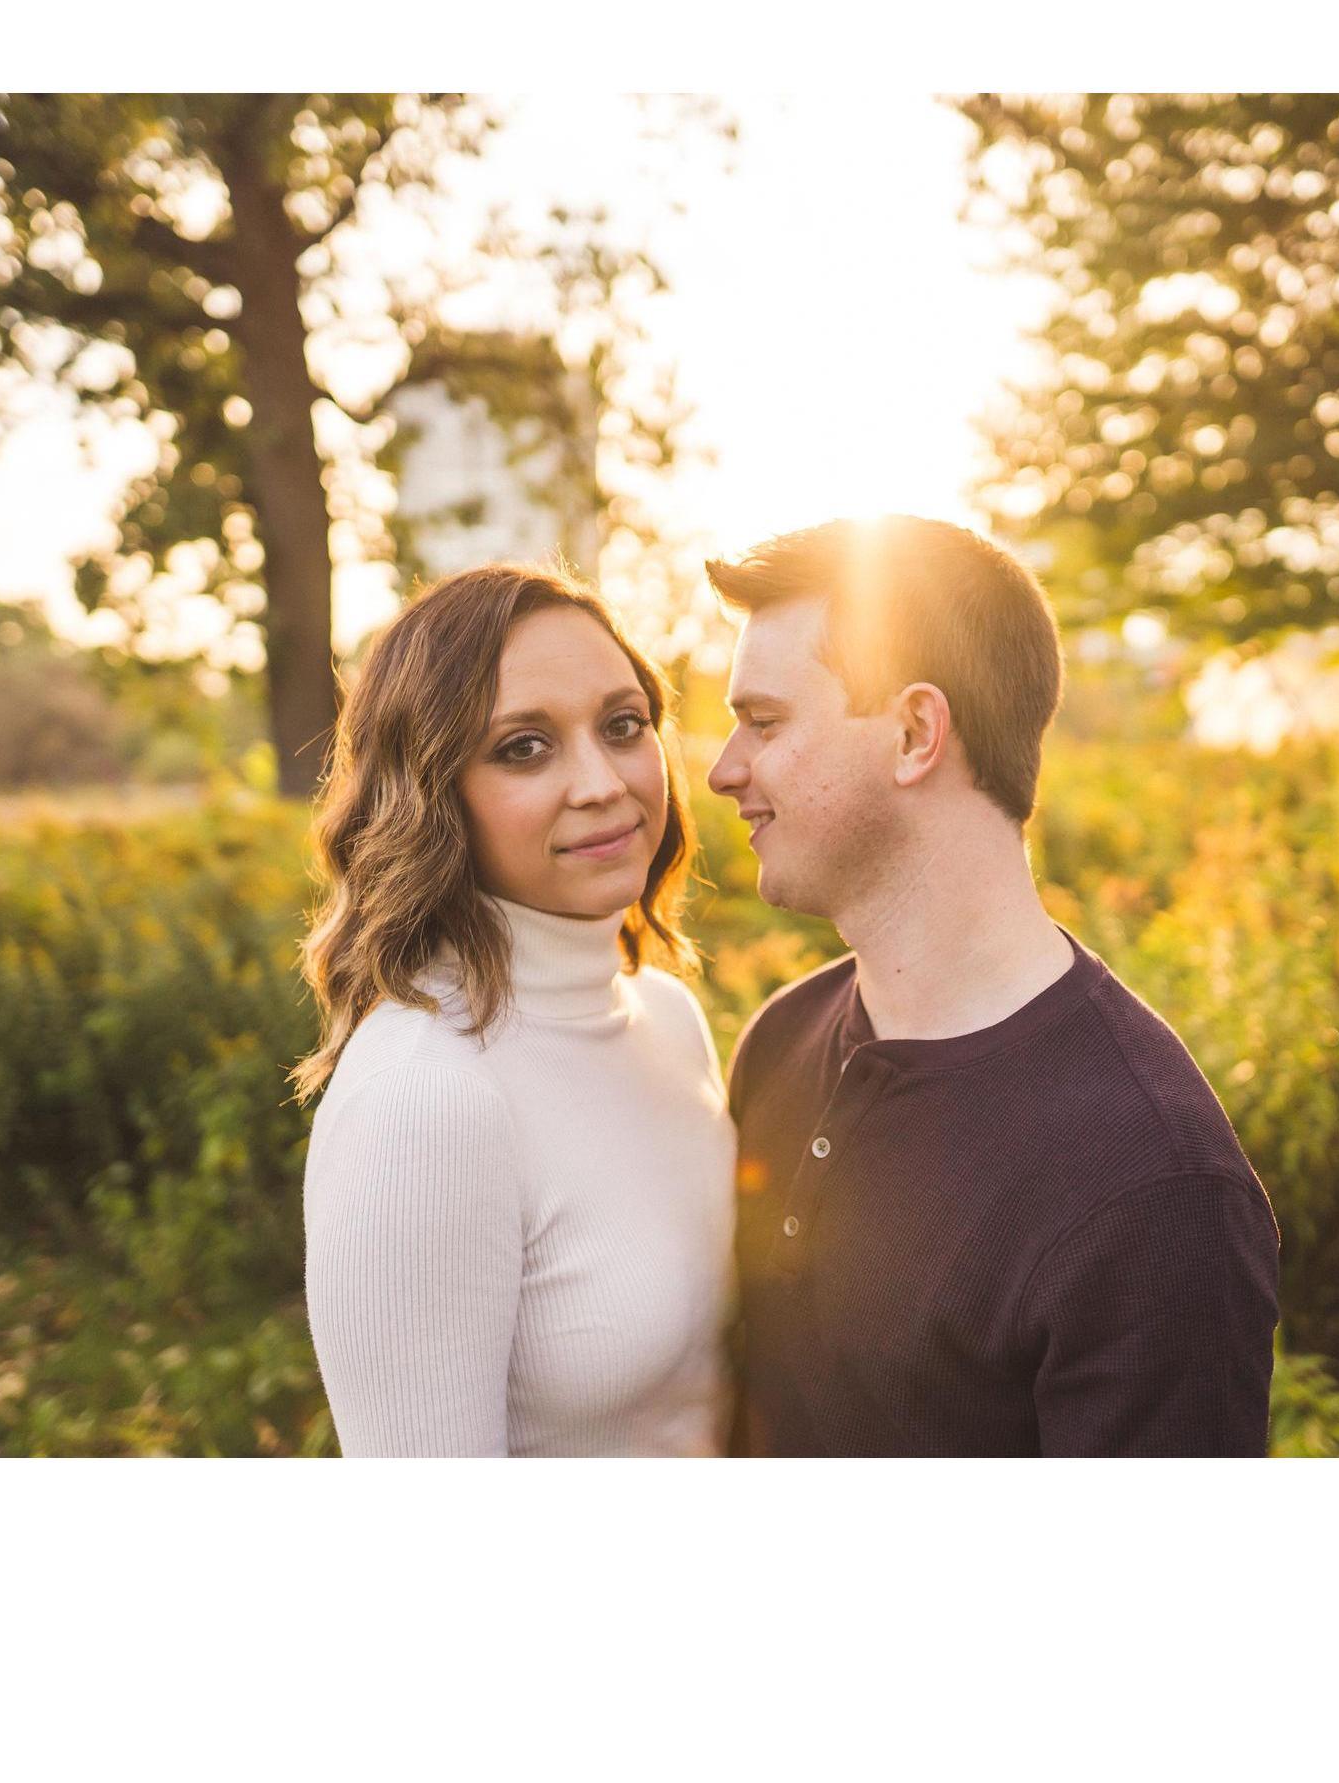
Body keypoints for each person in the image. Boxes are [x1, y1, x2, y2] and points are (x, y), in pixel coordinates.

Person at [704, 516, 1280, 1457]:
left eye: (764, 723)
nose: (724, 770)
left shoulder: (1155, 1189)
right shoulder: (781, 1040)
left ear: (914, 733)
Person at [296, 563, 735, 1456]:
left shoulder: (667, 1018)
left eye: (623, 726)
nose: (602, 783)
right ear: (431, 792)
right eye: (524, 747)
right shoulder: (424, 1099)